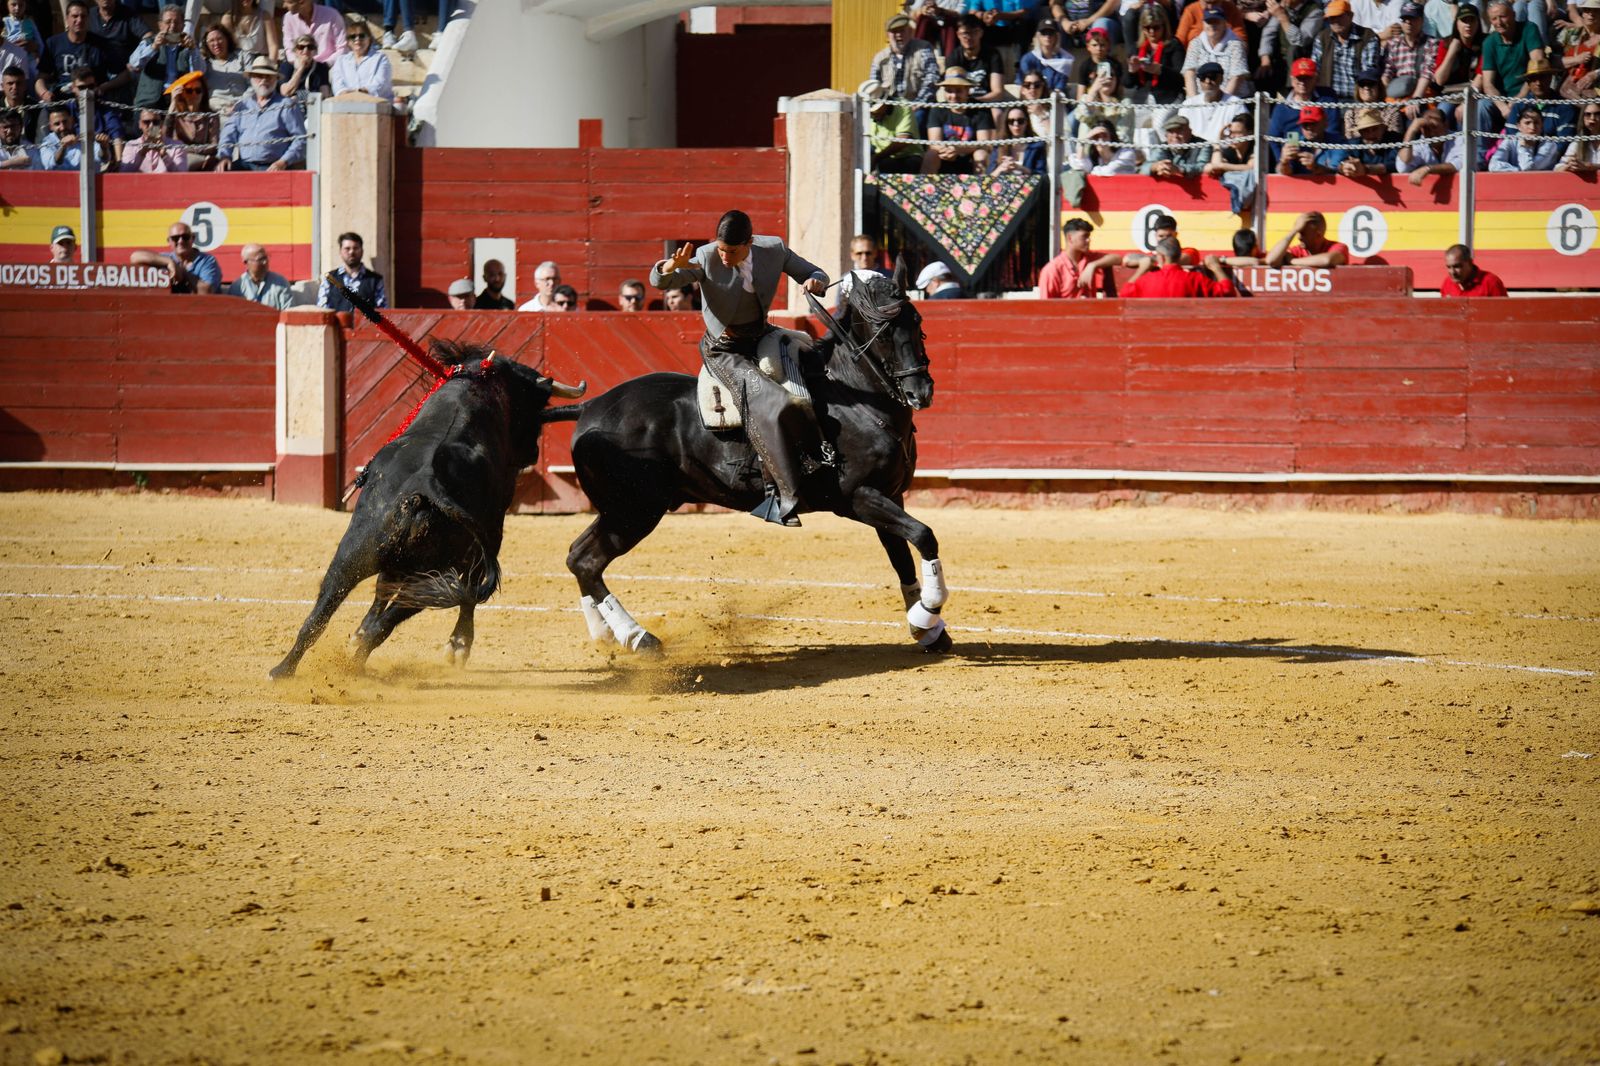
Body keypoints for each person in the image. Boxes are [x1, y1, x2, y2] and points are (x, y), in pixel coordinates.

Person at [648, 209, 828, 527]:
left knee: (812, 380)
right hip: (724, 349)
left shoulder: (773, 250)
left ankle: (818, 460)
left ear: (749, 243)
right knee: (774, 402)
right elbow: (663, 281)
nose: (725, 256)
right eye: (721, 249)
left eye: (732, 251)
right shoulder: (705, 257)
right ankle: (778, 496)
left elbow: (813, 271)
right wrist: (667, 268)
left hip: (762, 335)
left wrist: (816, 281)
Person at [216, 56, 305, 170]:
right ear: (251, 79)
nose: (263, 81)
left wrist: (283, 162)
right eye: (259, 76)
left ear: (276, 79)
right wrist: (225, 156)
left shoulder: (286, 105)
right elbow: (228, 135)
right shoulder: (242, 106)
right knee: (220, 173)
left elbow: (301, 139)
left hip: (273, 167)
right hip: (244, 166)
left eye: (268, 77)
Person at [1480, 0, 1546, 131]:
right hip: (1502, 99)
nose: (1499, 22)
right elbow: (1488, 84)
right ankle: (1481, 151)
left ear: (1514, 14)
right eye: (1494, 19)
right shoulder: (1489, 42)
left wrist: (1517, 99)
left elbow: (1537, 68)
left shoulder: (1529, 29)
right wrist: (1502, 106)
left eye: (1503, 16)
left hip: (1528, 93)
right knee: (1482, 106)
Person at [125, 3, 203, 109]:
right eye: (168, 22)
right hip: (149, 101)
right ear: (160, 25)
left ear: (183, 26)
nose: (172, 26)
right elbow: (134, 64)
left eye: (176, 22)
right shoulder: (149, 42)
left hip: (179, 100)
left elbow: (200, 71)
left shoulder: (188, 45)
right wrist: (154, 47)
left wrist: (193, 50)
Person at [1125, 4, 1187, 136]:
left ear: (1164, 26)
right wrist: (1132, 70)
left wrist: (1160, 70)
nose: (1152, 32)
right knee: (1139, 131)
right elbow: (1127, 83)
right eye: (1147, 28)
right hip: (1143, 97)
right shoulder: (1137, 48)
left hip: (1168, 97)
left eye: (1156, 27)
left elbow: (1181, 79)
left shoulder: (1173, 45)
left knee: (1160, 127)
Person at [921, 67, 993, 174]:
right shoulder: (937, 109)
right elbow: (934, 143)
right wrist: (948, 150)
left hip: (970, 159)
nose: (953, 96)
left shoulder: (981, 110)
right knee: (931, 154)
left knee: (981, 154)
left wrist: (959, 149)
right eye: (949, 91)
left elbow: (985, 144)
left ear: (967, 91)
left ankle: (981, 188)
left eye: (958, 91)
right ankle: (926, 189)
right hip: (944, 157)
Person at [35, 0, 107, 102]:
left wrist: (103, 88)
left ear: (88, 19)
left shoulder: (100, 44)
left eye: (83, 16)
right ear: (67, 18)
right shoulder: (53, 43)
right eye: (75, 16)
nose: (79, 20)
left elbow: (119, 74)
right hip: (61, 99)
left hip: (92, 98)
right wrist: (44, 93)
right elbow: (41, 77)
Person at [1267, 57, 1335, 164]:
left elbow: (1333, 131)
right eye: (1299, 78)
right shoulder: (1281, 108)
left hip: (1322, 158)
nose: (1302, 82)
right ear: (1292, 79)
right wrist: (1281, 160)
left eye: (1307, 78)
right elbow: (1274, 138)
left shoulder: (1327, 99)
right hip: (1291, 160)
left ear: (1315, 78)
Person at [868, 12, 940, 110]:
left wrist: (918, 103)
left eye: (902, 31)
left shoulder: (923, 49)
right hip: (889, 109)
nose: (898, 35)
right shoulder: (879, 59)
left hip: (919, 106)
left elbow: (932, 77)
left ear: (910, 32)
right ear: (887, 35)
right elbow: (873, 86)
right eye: (894, 31)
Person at [1312, 0, 1381, 99]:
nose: (1335, 21)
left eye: (1339, 16)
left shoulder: (1368, 37)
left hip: (1358, 99)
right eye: (1331, 18)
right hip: (1328, 99)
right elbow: (1315, 69)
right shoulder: (1322, 38)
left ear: (1350, 16)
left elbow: (1368, 72)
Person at [1121, 238, 1237, 296]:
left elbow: (1124, 294)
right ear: (1178, 255)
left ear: (1161, 257)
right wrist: (1216, 267)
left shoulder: (1146, 281)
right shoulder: (1195, 279)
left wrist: (1142, 269)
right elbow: (1227, 291)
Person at [130, 219, 221, 293]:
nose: (180, 241)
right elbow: (135, 257)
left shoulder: (207, 261)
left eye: (185, 237)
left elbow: (207, 292)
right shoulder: (165, 258)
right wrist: (169, 262)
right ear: (169, 241)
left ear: (193, 238)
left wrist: (182, 272)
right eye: (175, 238)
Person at [1038, 218, 1120, 298]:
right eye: (1085, 236)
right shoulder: (1052, 270)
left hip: (1091, 311)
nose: (1089, 240)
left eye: (1089, 236)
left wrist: (1092, 266)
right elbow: (1045, 307)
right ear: (1070, 238)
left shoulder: (1089, 258)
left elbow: (1118, 259)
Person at [1183, 5, 1251, 96]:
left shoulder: (1236, 44)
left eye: (1216, 22)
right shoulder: (1195, 44)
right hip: (1200, 99)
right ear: (1203, 24)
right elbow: (1189, 73)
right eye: (1209, 22)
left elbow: (1237, 77)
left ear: (1224, 24)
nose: (1212, 26)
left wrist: (1222, 104)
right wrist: (1193, 102)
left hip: (1231, 99)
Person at [1257, 0, 1327, 88]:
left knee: (1293, 49)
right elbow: (1269, 32)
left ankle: (1291, 90)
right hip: (1281, 57)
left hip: (1302, 60)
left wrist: (1282, 17)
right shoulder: (1282, 7)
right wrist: (1265, 58)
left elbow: (1300, 41)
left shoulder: (1315, 11)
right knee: (1263, 67)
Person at [1380, 2, 1438, 102]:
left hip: (1422, 94)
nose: (1408, 23)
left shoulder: (1431, 43)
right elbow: (1387, 72)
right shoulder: (1393, 44)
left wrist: (1415, 99)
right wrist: (1391, 95)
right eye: (1404, 19)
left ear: (1422, 21)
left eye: (1412, 19)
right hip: (1398, 93)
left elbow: (1427, 73)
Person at [164, 68, 218, 171]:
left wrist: (191, 150)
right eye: (189, 90)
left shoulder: (211, 115)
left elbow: (214, 145)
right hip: (177, 157)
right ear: (182, 93)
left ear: (204, 93)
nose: (194, 94)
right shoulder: (175, 114)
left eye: (198, 91)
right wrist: (173, 104)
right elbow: (165, 137)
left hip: (203, 159)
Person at [863, 78, 921, 173]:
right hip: (876, 153)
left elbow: (903, 139)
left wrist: (877, 158)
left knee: (888, 165)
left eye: (875, 112)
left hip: (906, 156)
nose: (872, 115)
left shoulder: (903, 106)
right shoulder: (865, 113)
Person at [944, 13, 1006, 101]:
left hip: (987, 102)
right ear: (958, 35)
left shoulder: (992, 55)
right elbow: (951, 89)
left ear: (981, 33)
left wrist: (976, 102)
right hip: (960, 103)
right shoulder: (953, 57)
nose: (969, 37)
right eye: (965, 33)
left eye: (974, 32)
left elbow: (998, 92)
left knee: (998, 114)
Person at [317, 230, 386, 310]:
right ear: (340, 252)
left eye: (355, 248)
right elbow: (322, 310)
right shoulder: (329, 279)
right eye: (347, 248)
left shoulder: (375, 280)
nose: (351, 252)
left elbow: (382, 310)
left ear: (362, 251)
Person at [1396, 106, 1467, 183]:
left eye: (1434, 127)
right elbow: (1403, 167)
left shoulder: (1459, 138)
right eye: (1426, 128)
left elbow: (1462, 163)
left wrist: (1428, 169)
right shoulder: (1420, 144)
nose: (1431, 132)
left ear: (1446, 125)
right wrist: (1411, 131)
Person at [329, 15, 391, 102]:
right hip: (347, 104)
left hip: (375, 104)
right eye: (352, 36)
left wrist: (360, 93)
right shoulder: (341, 61)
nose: (357, 39)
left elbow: (380, 83)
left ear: (369, 39)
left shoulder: (380, 58)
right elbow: (337, 85)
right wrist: (345, 93)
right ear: (348, 41)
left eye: (361, 36)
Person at [1179, 61, 1245, 142]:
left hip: (1224, 150)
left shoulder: (1235, 103)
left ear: (1221, 79)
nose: (1207, 81)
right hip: (1195, 151)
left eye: (1212, 77)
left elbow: (1242, 133)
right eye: (1203, 77)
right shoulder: (1188, 104)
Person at [1204, 113, 1258, 212]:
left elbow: (1251, 167)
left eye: (1238, 132)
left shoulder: (1256, 148)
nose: (1232, 136)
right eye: (1231, 132)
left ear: (1250, 133)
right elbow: (1215, 166)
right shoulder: (1231, 150)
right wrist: (1218, 142)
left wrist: (1223, 166)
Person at [1488, 102, 1561, 170]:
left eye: (1536, 123)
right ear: (1519, 126)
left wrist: (1525, 147)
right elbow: (1493, 165)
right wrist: (1517, 170)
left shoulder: (1550, 144)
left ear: (1542, 125)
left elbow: (1527, 168)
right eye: (1527, 123)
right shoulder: (1510, 140)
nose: (1532, 127)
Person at [1276, 105, 1346, 174]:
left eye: (1313, 123)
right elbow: (1285, 173)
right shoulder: (1295, 141)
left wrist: (1316, 167)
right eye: (1305, 124)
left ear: (1325, 123)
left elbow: (1338, 173)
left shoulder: (1337, 142)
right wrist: (1284, 162)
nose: (1309, 127)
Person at [39, 101, 110, 169]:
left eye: (65, 122)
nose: (62, 127)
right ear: (50, 127)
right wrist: (63, 147)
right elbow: (50, 165)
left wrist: (103, 147)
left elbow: (104, 159)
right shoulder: (47, 142)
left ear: (72, 121)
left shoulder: (85, 137)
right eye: (57, 124)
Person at [1266, 210, 1350, 266]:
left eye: (1303, 233)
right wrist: (1294, 230)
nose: (1299, 237)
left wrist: (1292, 261)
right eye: (1298, 233)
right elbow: (1271, 260)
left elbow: (1327, 260)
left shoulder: (1338, 247)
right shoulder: (1297, 250)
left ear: (1318, 235)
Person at [1016, 18, 1074, 94]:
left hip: (1055, 99)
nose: (1047, 36)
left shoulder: (1065, 60)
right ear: (1038, 36)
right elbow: (1024, 84)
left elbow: (1060, 86)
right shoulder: (1028, 59)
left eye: (1051, 33)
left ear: (1056, 36)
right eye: (1044, 33)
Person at [1342, 66, 1404, 138]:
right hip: (1359, 148)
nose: (1366, 88)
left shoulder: (1392, 111)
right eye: (1362, 84)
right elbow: (1350, 138)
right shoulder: (1351, 113)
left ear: (1379, 87)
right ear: (1357, 89)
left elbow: (1395, 137)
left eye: (1370, 83)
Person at [1556, 0, 1600, 100]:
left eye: (1596, 11)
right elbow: (1552, 61)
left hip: (1594, 92)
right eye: (1587, 10)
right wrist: (1576, 59)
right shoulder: (1570, 34)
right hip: (1566, 92)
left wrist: (1595, 74)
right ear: (1582, 13)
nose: (1591, 14)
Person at [119, 106, 186, 170]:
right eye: (146, 122)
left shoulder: (177, 146)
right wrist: (142, 153)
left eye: (155, 122)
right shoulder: (131, 145)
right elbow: (124, 173)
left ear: (161, 124)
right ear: (140, 124)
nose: (151, 126)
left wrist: (165, 156)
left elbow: (181, 177)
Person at [200, 23, 248, 113]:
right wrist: (222, 109)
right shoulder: (205, 64)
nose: (216, 43)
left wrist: (241, 104)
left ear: (227, 39)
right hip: (217, 111)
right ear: (206, 45)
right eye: (211, 41)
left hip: (244, 108)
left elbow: (253, 84)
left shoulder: (243, 57)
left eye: (219, 39)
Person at [280, 0, 345, 65]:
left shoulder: (332, 15)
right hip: (299, 64)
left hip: (327, 65)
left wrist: (324, 65)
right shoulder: (288, 18)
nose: (284, 6)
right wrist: (297, 63)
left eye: (289, 2)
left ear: (302, 2)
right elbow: (289, 47)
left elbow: (342, 48)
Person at [228, 243, 293, 308]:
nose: (265, 262)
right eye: (260, 259)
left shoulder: (280, 283)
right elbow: (232, 313)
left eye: (266, 257)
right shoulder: (238, 286)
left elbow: (288, 313)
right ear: (246, 262)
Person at [1143, 113, 1209, 176]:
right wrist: (1156, 167)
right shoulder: (1162, 147)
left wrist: (1179, 169)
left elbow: (1203, 166)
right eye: (1171, 132)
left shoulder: (1202, 145)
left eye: (1179, 131)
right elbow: (1144, 168)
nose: (1175, 136)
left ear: (1190, 131)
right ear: (1166, 135)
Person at [220, 0, 280, 66]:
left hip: (260, 63)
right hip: (237, 64)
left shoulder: (265, 16)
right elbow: (225, 48)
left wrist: (270, 66)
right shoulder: (227, 19)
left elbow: (273, 46)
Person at [1073, 116, 1141, 173]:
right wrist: (1083, 142)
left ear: (1111, 137)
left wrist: (1089, 171)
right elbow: (1079, 167)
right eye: (1096, 136)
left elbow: (1108, 172)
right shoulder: (1096, 158)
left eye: (1104, 135)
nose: (1101, 140)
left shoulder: (1126, 153)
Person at [1439, 243, 1508, 296]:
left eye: (1457, 266)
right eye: (1449, 267)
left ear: (1469, 262)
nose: (1452, 272)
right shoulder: (1447, 284)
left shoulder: (1490, 283)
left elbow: (1504, 311)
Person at [278, 33, 329, 98]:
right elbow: (285, 92)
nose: (306, 50)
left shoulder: (321, 67)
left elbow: (325, 94)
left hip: (313, 104)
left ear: (315, 51)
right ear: (295, 51)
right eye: (301, 47)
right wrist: (301, 67)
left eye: (310, 47)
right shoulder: (286, 66)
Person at [1556, 101, 1600, 171]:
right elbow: (1557, 169)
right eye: (1588, 114)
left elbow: (1588, 166)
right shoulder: (1578, 141)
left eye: (1597, 114)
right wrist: (1570, 165)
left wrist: (1590, 167)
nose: (1592, 118)